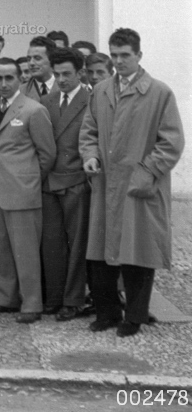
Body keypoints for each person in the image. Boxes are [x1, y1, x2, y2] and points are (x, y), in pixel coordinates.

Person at [80, 27, 185, 337]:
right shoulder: (100, 91)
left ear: (139, 55)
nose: (119, 61)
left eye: (125, 55)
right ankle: (107, 312)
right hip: (105, 183)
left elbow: (171, 142)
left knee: (138, 253)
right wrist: (90, 156)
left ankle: (135, 317)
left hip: (138, 186)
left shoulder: (159, 93)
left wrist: (145, 173)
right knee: (101, 254)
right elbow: (89, 130)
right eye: (114, 55)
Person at [0, 57, 55, 324]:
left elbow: (47, 154)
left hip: (23, 190)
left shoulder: (33, 110)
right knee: (2, 247)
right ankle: (4, 297)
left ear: (20, 79)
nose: (3, 83)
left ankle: (32, 302)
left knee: (25, 249)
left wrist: (30, 180)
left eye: (8, 78)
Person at [40, 47, 91, 321]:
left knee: (76, 243)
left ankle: (73, 300)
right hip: (50, 182)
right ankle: (55, 296)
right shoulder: (47, 101)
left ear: (80, 73)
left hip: (76, 182)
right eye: (57, 74)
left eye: (67, 74)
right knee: (52, 243)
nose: (61, 79)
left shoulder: (91, 100)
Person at [24, 36, 56, 100]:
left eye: (37, 58)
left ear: (51, 60)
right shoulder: (20, 92)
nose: (31, 63)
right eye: (29, 59)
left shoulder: (67, 87)